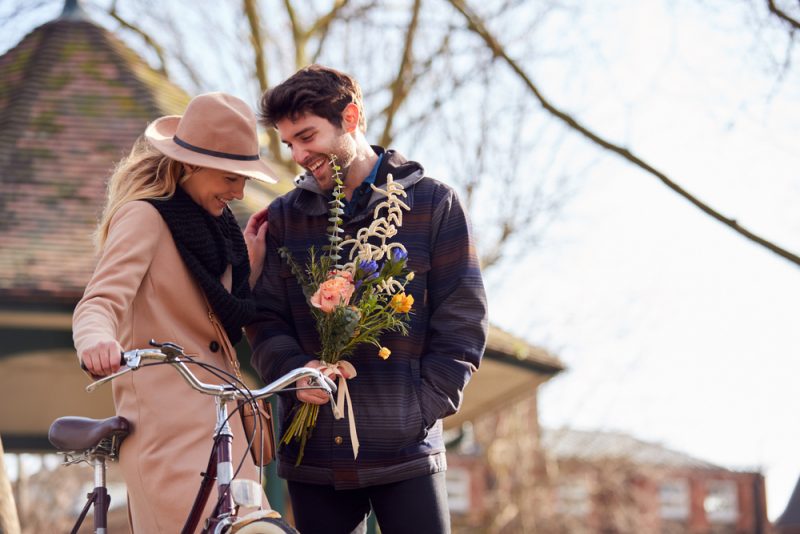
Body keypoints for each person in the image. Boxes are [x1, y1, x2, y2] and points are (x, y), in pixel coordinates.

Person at [247, 65, 489, 534]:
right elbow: (265, 321)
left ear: (351, 117)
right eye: (288, 144)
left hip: (407, 452)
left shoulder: (433, 204)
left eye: (307, 136)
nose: (298, 154)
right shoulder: (282, 219)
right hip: (310, 454)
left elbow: (463, 319)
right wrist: (297, 374)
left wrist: (420, 409)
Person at [73, 93, 278, 532]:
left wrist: (251, 263)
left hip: (225, 426)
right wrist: (97, 343)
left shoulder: (219, 235)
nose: (239, 191)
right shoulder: (143, 217)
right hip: (168, 433)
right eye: (229, 177)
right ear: (189, 165)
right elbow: (99, 302)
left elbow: (217, 314)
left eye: (244, 179)